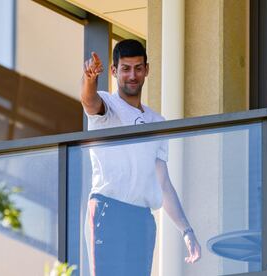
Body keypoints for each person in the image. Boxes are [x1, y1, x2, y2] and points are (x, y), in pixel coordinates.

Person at [81, 39, 201, 276]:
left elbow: (163, 182)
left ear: (147, 69)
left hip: (142, 219)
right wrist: (90, 78)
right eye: (125, 69)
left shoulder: (157, 122)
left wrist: (186, 231)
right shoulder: (108, 104)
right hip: (108, 209)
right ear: (114, 71)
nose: (132, 75)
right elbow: (89, 101)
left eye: (138, 68)